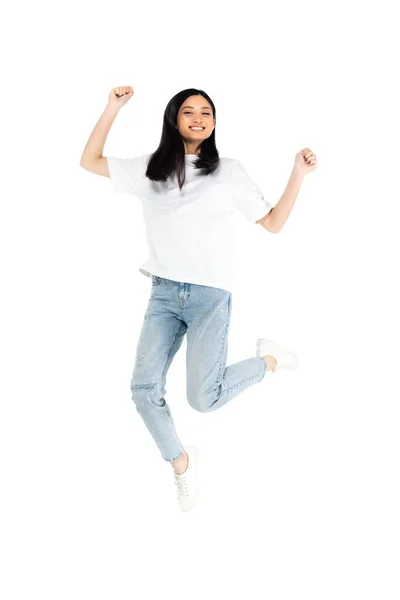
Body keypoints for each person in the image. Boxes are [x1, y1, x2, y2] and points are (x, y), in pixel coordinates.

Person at [80, 86, 318, 512]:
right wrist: (112, 107)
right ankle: (181, 462)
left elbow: (274, 222)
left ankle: (269, 361)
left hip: (210, 296)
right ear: (174, 119)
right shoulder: (149, 170)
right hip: (164, 295)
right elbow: (89, 161)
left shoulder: (227, 170)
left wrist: (297, 174)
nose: (197, 118)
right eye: (188, 111)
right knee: (142, 389)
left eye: (205, 112)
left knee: (203, 400)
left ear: (213, 123)